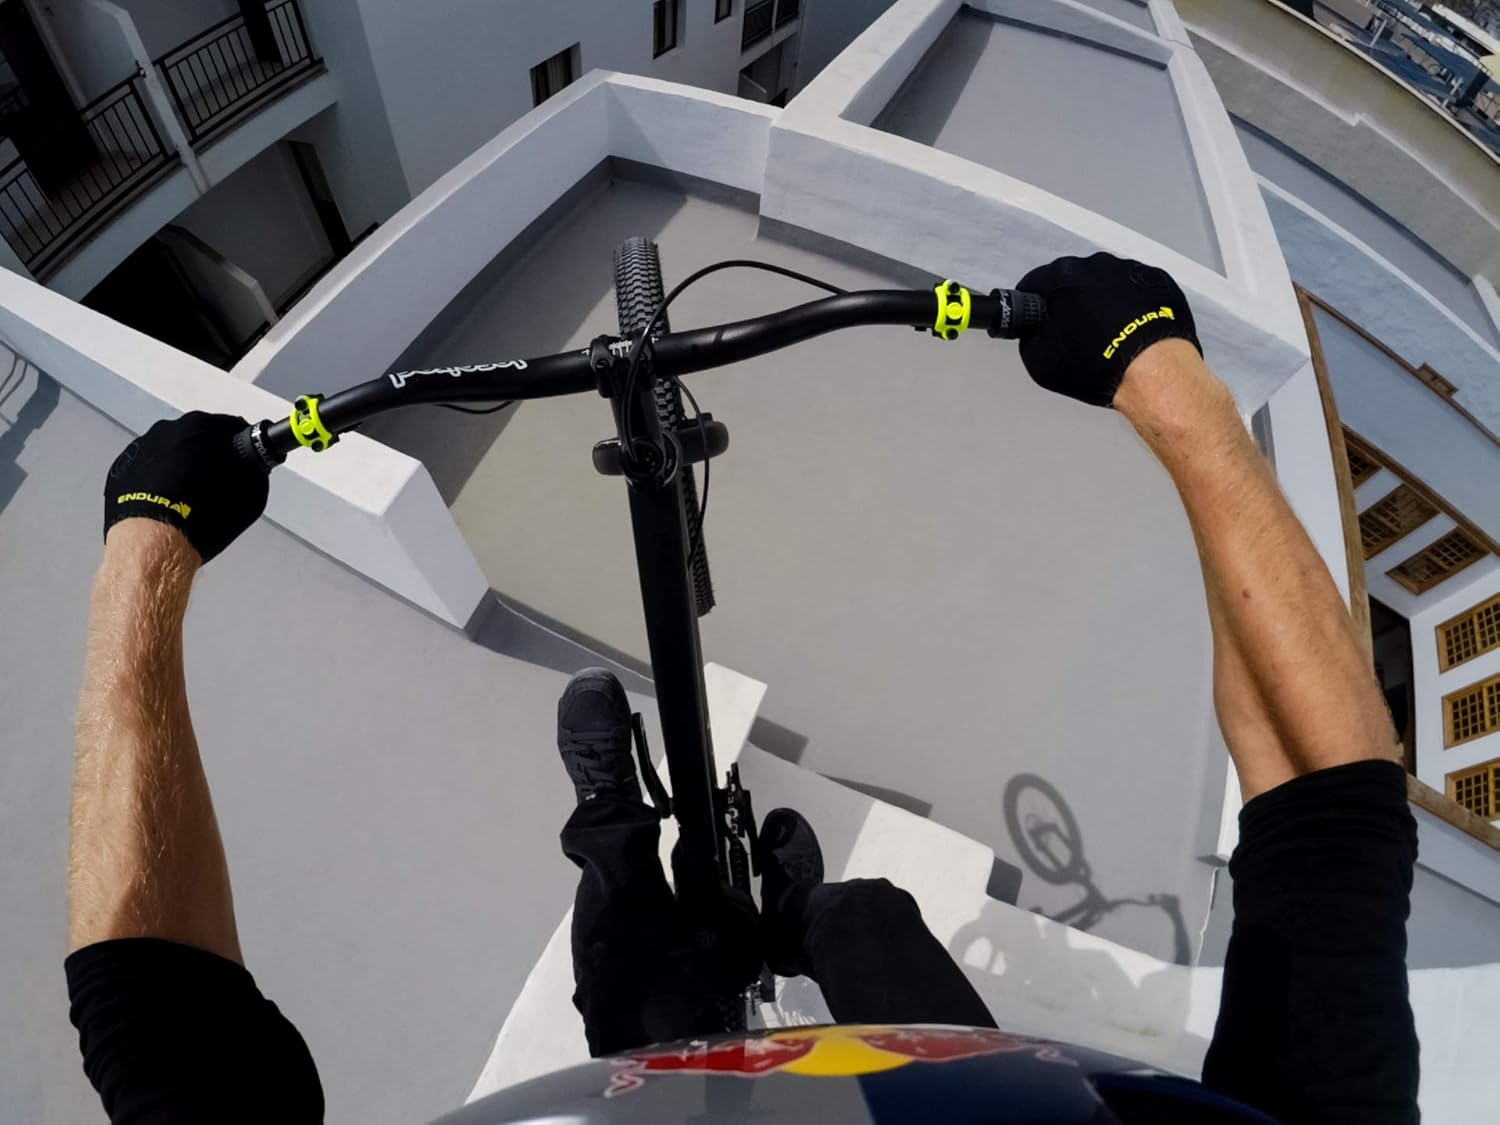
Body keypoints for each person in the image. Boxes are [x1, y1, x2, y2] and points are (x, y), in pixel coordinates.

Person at [66, 254, 1418, 1124]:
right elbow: (1330, 806)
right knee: (862, 915)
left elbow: (162, 1028)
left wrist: (149, 545)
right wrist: (1162, 379)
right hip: (954, 1091)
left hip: (651, 1096)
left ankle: (614, 830)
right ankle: (794, 914)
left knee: (633, 957)